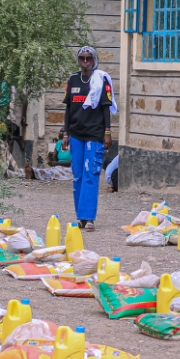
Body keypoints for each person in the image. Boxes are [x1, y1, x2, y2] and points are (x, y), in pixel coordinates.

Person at [62, 45, 115, 230]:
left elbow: (106, 107)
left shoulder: (102, 81)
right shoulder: (73, 80)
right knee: (78, 175)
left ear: (94, 60)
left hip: (95, 134)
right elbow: (68, 108)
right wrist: (65, 133)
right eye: (82, 58)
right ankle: (80, 217)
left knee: (91, 174)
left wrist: (107, 132)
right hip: (76, 134)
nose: (85, 62)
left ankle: (89, 217)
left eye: (88, 58)